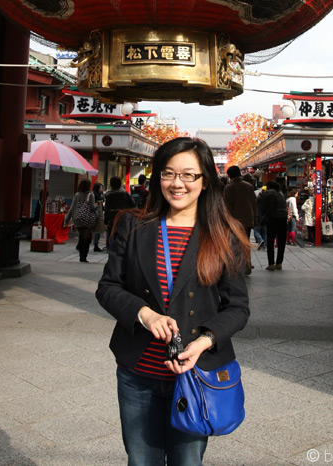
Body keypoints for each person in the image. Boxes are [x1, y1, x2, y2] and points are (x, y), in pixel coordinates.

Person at [96, 137, 250, 466]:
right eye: (168, 173)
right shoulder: (133, 225)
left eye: (188, 175)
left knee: (187, 462)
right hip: (138, 372)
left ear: (205, 180)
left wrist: (205, 341)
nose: (177, 183)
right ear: (157, 178)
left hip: (197, 375)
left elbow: (237, 307)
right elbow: (108, 287)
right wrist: (145, 315)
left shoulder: (224, 233)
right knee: (141, 460)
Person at [224, 165, 257, 275]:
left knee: (235, 244)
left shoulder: (229, 188)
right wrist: (254, 218)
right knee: (246, 243)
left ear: (229, 176)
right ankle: (247, 264)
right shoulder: (249, 186)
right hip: (247, 220)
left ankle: (238, 266)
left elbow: (227, 206)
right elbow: (253, 203)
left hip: (235, 221)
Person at [64, 177, 96, 262]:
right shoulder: (91, 195)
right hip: (87, 220)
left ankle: (81, 255)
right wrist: (98, 208)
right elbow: (92, 207)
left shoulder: (77, 194)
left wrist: (67, 219)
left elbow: (72, 207)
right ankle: (83, 256)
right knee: (87, 238)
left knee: (81, 236)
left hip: (77, 219)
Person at [259, 180, 288, 270]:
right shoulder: (280, 194)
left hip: (273, 218)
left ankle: (271, 263)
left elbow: (263, 206)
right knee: (281, 241)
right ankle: (279, 263)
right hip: (283, 218)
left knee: (270, 241)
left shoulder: (268, 193)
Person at [104, 176, 135, 249]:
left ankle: (112, 248)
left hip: (113, 218)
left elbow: (107, 208)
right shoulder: (124, 193)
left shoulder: (109, 195)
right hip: (124, 217)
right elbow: (133, 204)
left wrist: (106, 220)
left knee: (112, 235)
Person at [92, 181, 106, 252]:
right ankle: (95, 245)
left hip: (100, 214)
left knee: (98, 230)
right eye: (100, 187)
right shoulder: (93, 195)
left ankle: (95, 244)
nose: (101, 189)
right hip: (94, 214)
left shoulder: (101, 195)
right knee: (96, 230)